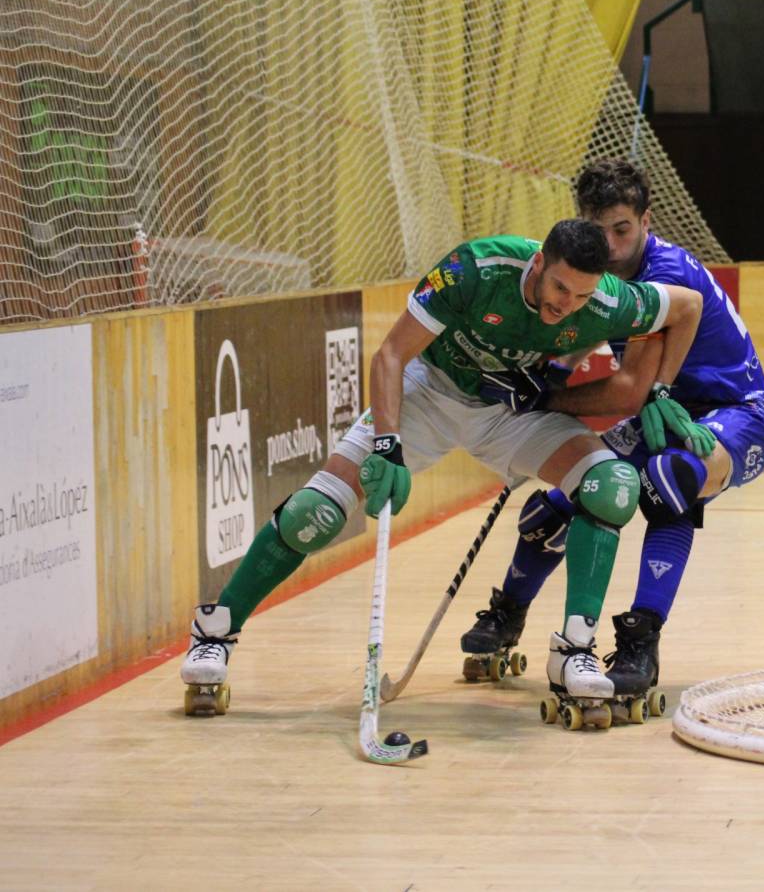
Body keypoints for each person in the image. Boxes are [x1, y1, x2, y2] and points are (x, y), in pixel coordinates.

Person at [181, 218, 707, 710]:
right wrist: (386, 442)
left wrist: (659, 387)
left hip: (508, 413)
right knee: (314, 513)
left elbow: (687, 307)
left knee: (611, 483)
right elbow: (390, 355)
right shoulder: (474, 269)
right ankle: (215, 632)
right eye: (561, 289)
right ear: (539, 262)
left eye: (582, 296)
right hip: (428, 394)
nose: (567, 305)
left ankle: (573, 649)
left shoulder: (607, 301)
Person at [461, 159, 764, 702]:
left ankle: (640, 642)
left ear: (646, 222)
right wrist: (549, 371)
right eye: (599, 229)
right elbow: (592, 326)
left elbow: (627, 388)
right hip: (663, 409)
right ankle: (507, 613)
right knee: (564, 502)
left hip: (735, 412)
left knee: (669, 480)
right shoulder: (597, 273)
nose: (609, 245)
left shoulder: (665, 275)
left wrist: (544, 398)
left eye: (622, 229)